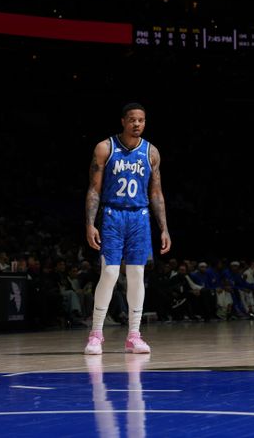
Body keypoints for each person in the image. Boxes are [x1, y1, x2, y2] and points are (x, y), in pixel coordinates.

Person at [83, 102, 171, 354]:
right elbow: (94, 188)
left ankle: (134, 334)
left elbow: (156, 192)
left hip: (139, 217)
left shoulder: (151, 152)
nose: (137, 124)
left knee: (136, 276)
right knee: (109, 273)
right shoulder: (105, 148)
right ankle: (96, 334)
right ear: (123, 121)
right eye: (132, 119)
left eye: (141, 120)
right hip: (112, 214)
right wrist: (90, 223)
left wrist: (163, 227)